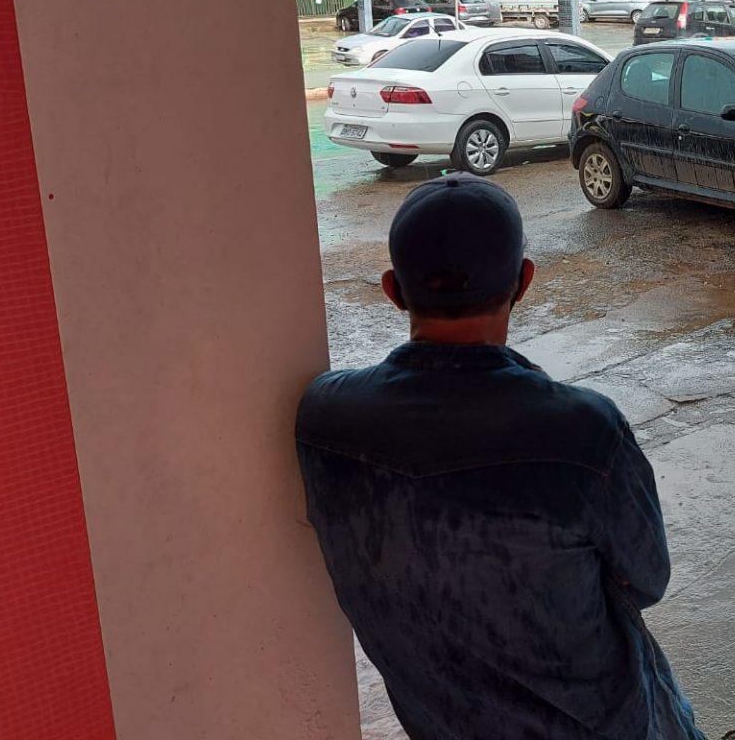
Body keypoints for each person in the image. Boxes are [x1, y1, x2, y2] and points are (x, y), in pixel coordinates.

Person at [295, 175, 705, 740]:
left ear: (392, 290)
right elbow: (646, 581)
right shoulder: (584, 433)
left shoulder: (322, 419)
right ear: (523, 281)